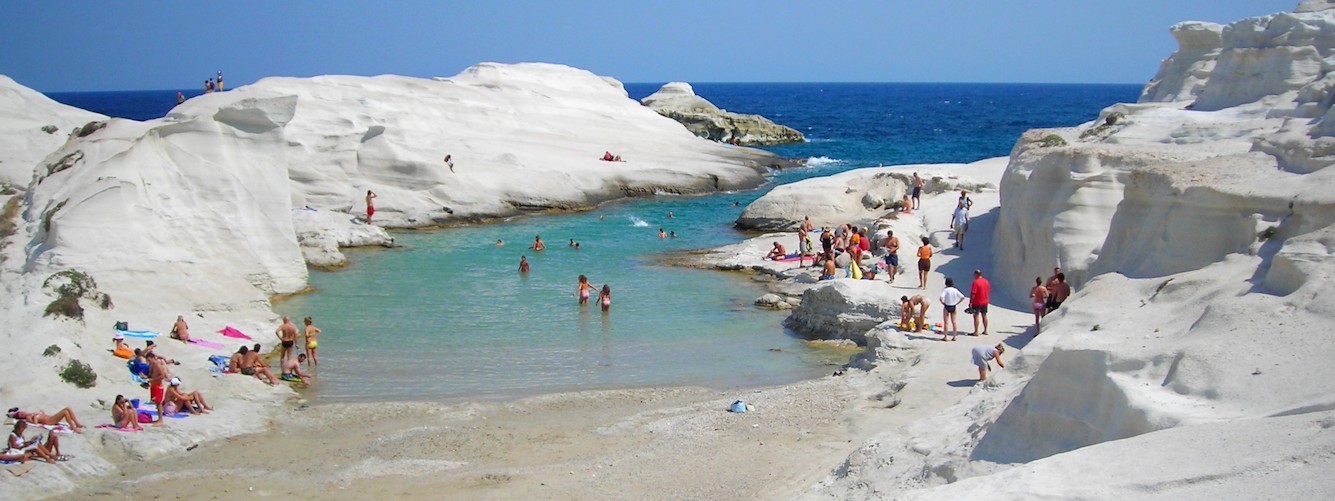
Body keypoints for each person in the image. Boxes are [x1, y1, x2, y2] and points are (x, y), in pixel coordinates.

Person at [6, 406, 84, 433]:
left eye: (22, 412)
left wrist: (41, 413)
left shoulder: (32, 414)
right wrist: (35, 417)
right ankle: (74, 428)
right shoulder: (29, 417)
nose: (23, 413)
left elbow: (42, 415)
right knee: (65, 412)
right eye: (21, 414)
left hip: (51, 417)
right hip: (50, 421)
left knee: (67, 408)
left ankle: (77, 423)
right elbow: (35, 424)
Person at [970, 269, 991, 336]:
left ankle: (976, 331)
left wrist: (971, 302)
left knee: (976, 316)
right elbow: (988, 290)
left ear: (976, 274)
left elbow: (973, 293)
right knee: (984, 315)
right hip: (985, 301)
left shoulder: (975, 282)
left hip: (977, 302)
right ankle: (985, 330)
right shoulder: (986, 281)